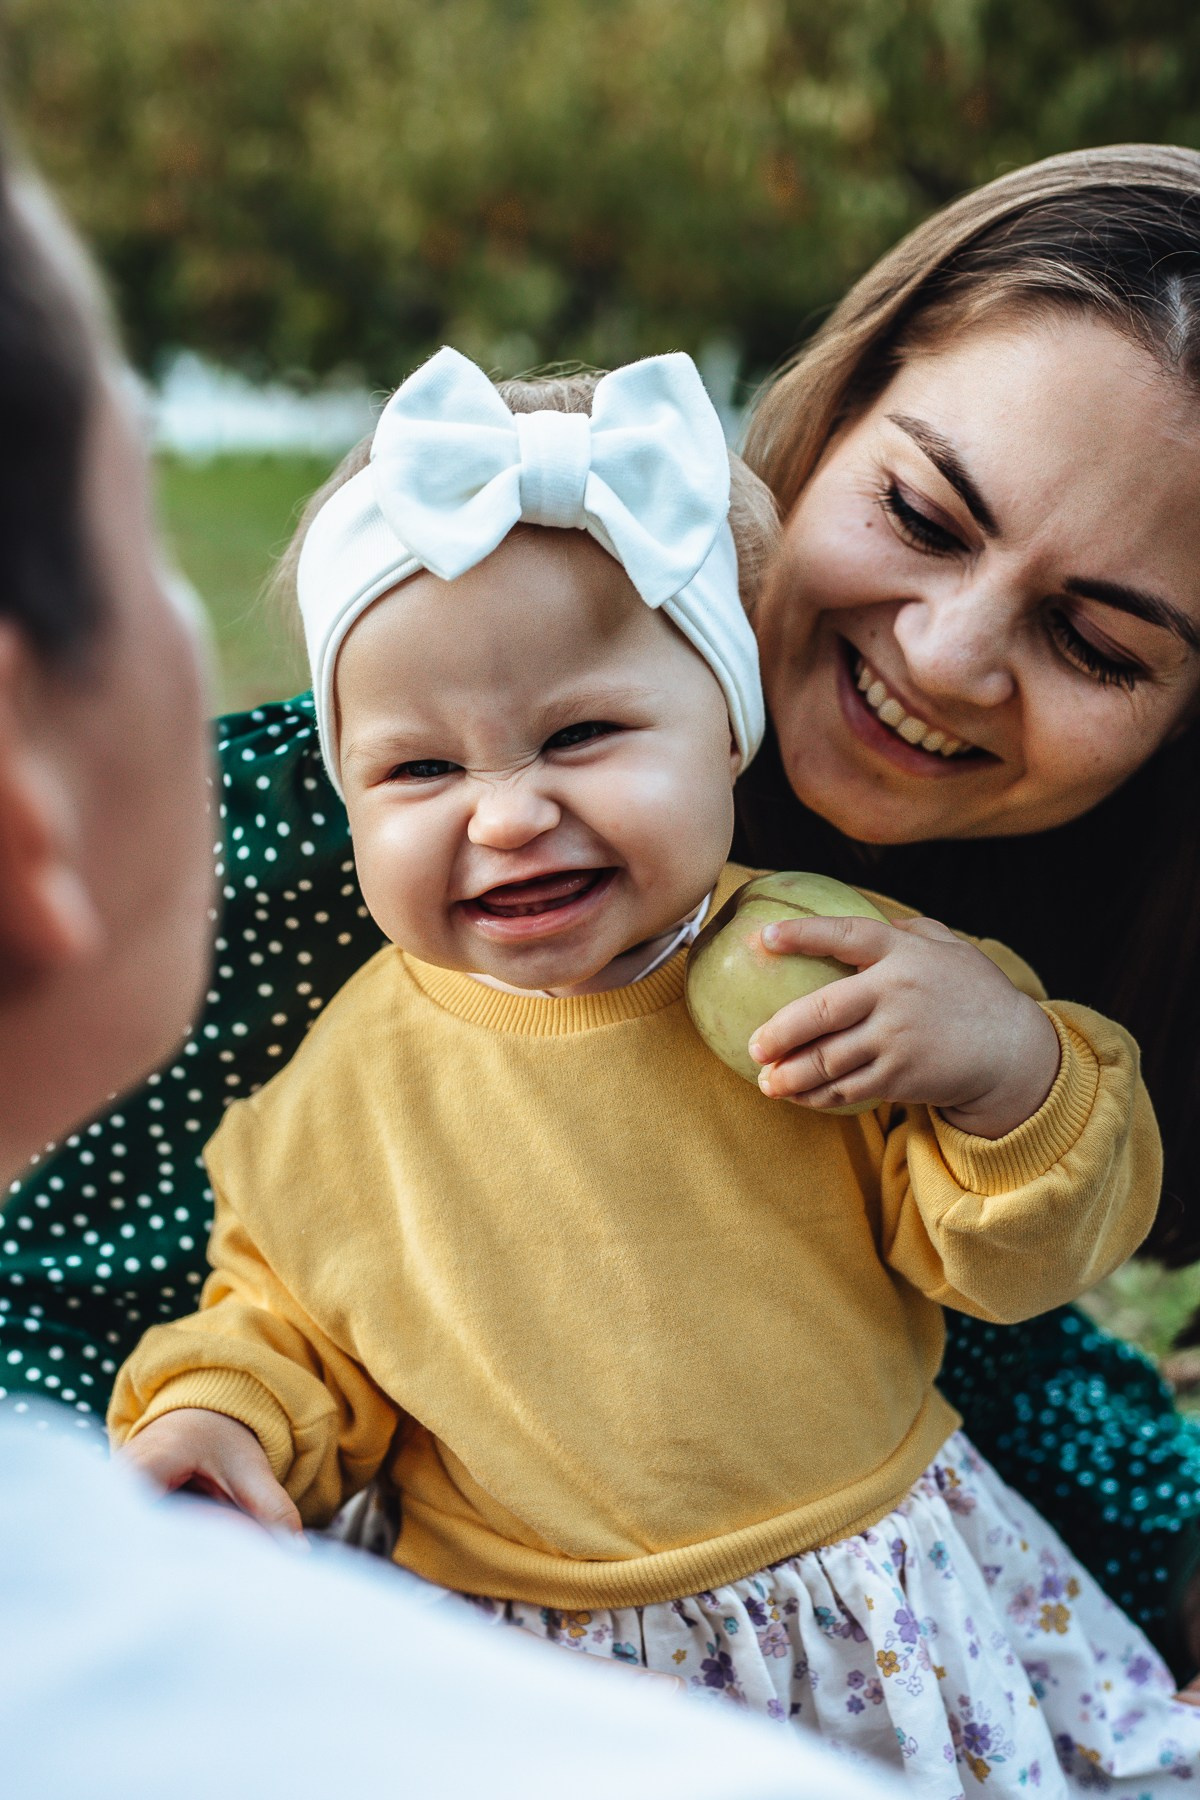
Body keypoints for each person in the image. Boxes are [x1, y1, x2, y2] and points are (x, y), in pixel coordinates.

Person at [5, 141, 1200, 1672]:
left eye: (1099, 644)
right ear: (828, 423)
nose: (953, 655)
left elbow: (1011, 1281)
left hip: (895, 1554)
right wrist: (214, 1437)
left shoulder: (992, 915)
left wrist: (1009, 1066)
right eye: (921, 512)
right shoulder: (338, 864)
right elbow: (159, 1316)